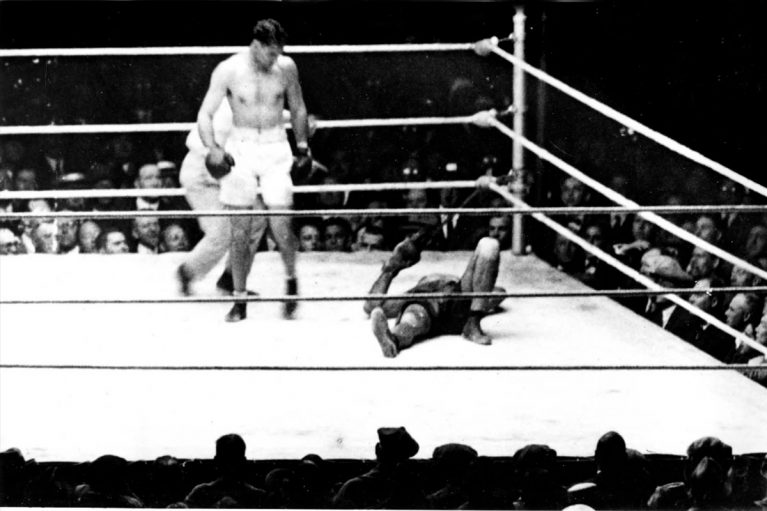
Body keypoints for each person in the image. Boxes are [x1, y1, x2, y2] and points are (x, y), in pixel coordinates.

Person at [197, 18, 310, 322]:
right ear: (256, 45)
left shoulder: (286, 67)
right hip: (241, 147)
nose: (275, 59)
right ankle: (239, 299)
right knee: (240, 229)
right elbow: (205, 114)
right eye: (271, 53)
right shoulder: (229, 70)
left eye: (279, 53)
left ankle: (291, 282)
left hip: (275, 145)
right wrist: (213, 148)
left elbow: (297, 107)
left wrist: (302, 146)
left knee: (281, 223)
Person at [176, 101, 268, 296]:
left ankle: (231, 278)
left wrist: (301, 120)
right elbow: (196, 142)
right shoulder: (228, 108)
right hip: (202, 175)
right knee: (222, 230)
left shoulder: (259, 103)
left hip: (229, 175)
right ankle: (187, 271)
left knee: (256, 218)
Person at [363, 232, 505, 358]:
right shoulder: (416, 291)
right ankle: (392, 339)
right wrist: (391, 268)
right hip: (424, 306)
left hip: (457, 297)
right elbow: (370, 306)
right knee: (412, 319)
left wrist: (479, 304)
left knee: (489, 245)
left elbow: (499, 293)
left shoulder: (459, 282)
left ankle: (473, 323)